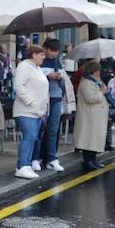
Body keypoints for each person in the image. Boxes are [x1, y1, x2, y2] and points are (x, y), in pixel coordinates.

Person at [13, 45, 49, 179]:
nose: (43, 57)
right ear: (33, 54)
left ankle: (26, 165)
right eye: (41, 55)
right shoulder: (24, 66)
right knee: (29, 136)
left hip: (37, 111)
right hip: (25, 110)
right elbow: (18, 85)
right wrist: (31, 102)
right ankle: (21, 166)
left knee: (33, 137)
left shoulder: (37, 68)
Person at [38, 39, 67, 173]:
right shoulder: (39, 61)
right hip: (42, 99)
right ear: (45, 48)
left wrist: (59, 78)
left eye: (56, 51)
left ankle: (51, 158)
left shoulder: (57, 62)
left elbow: (64, 84)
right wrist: (47, 77)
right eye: (52, 51)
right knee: (39, 130)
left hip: (56, 98)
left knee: (53, 130)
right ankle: (35, 158)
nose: (54, 54)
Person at [74, 62, 109, 170]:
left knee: (94, 139)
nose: (99, 72)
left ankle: (93, 160)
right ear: (93, 71)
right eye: (97, 70)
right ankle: (88, 161)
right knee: (88, 139)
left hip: (95, 116)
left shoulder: (95, 81)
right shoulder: (86, 83)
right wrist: (101, 92)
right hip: (89, 116)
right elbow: (91, 98)